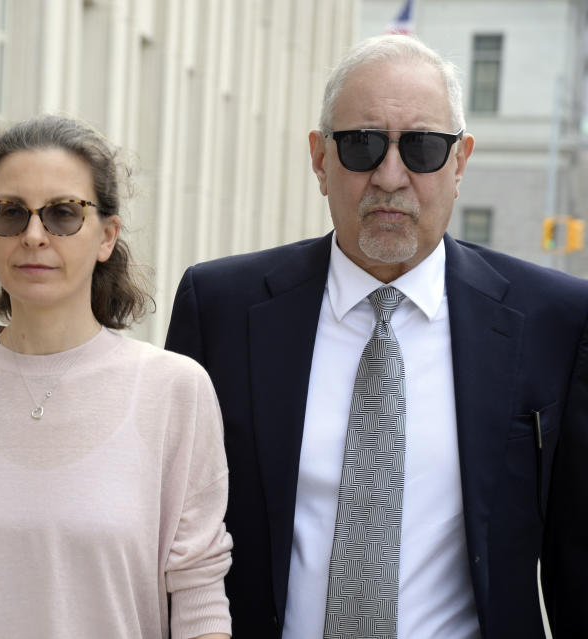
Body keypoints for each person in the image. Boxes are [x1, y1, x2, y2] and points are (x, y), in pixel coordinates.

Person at [166, 34, 588, 639]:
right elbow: (174, 534)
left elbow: (578, 561)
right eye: (362, 145)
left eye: (422, 148)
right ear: (320, 159)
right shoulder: (222, 309)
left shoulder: (556, 321)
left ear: (461, 161)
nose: (391, 176)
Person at [0, 115, 232, 639]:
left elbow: (197, 593)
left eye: (63, 213)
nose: (34, 235)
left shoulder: (175, 389)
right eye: (11, 213)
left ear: (107, 236)